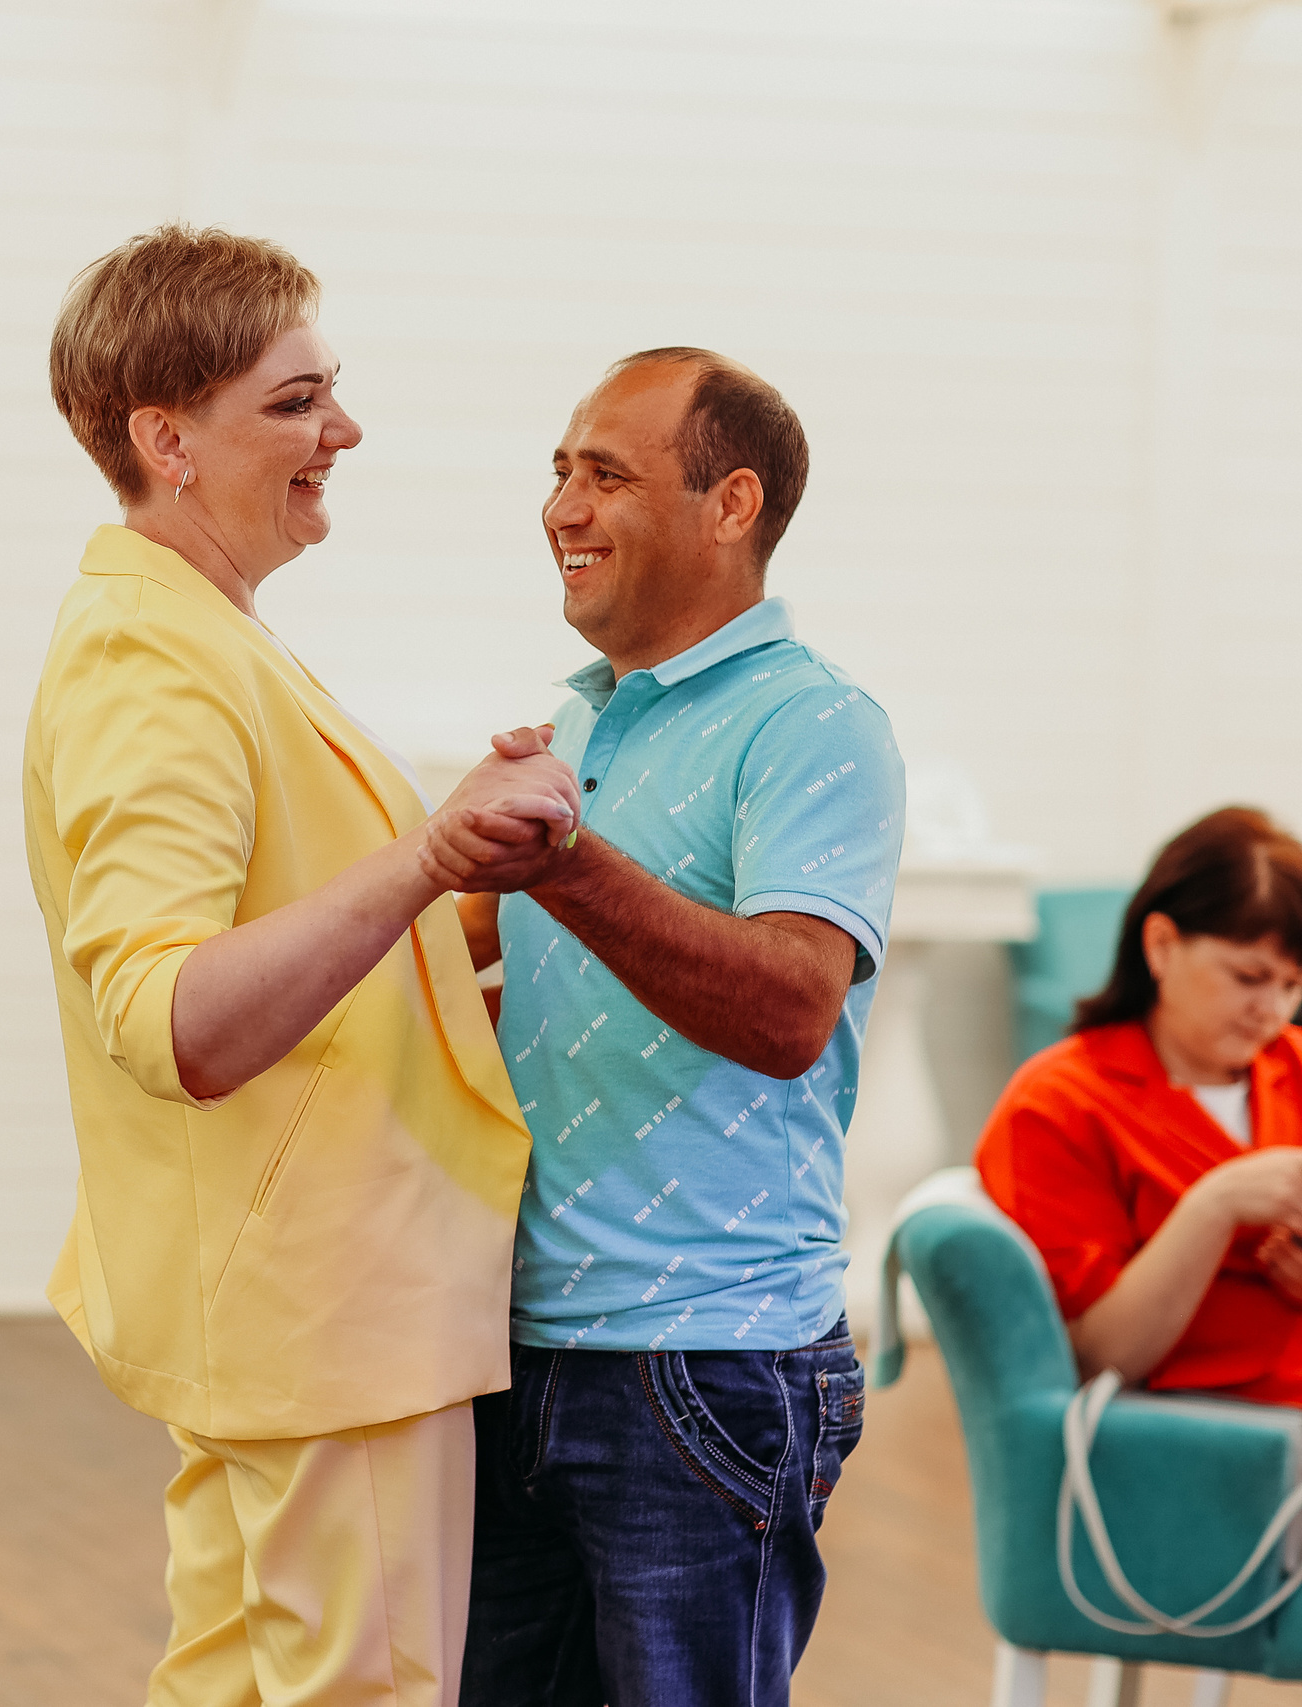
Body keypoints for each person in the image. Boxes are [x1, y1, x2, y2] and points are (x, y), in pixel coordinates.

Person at [25, 224, 583, 1707]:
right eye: (294, 403)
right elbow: (177, 1014)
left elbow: (291, 929)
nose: (343, 430)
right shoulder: (157, 659)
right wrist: (430, 857)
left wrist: (479, 915)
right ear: (167, 438)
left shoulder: (206, 635)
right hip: (326, 1311)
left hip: (296, 1302)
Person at [449, 349, 904, 1706]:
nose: (561, 506)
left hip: (703, 1370)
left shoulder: (815, 724)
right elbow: (455, 967)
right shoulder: (577, 720)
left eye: (607, 473)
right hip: (512, 1348)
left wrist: (564, 864)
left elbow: (788, 1007)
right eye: (557, 470)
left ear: (731, 504)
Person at [977, 808, 1302, 1402]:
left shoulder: (1294, 1063)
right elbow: (1103, 1356)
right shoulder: (1058, 1103)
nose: (1274, 1011)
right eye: (1249, 977)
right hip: (1217, 1439)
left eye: (1291, 984)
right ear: (1161, 946)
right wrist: (1216, 1206)